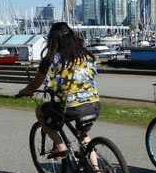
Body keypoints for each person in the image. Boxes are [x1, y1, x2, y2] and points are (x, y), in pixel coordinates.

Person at [19, 22, 101, 160]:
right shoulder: (85, 55)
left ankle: (59, 145)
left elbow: (35, 84)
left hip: (71, 107)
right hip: (94, 104)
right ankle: (97, 171)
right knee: (83, 136)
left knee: (40, 111)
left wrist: (24, 91)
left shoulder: (51, 59)